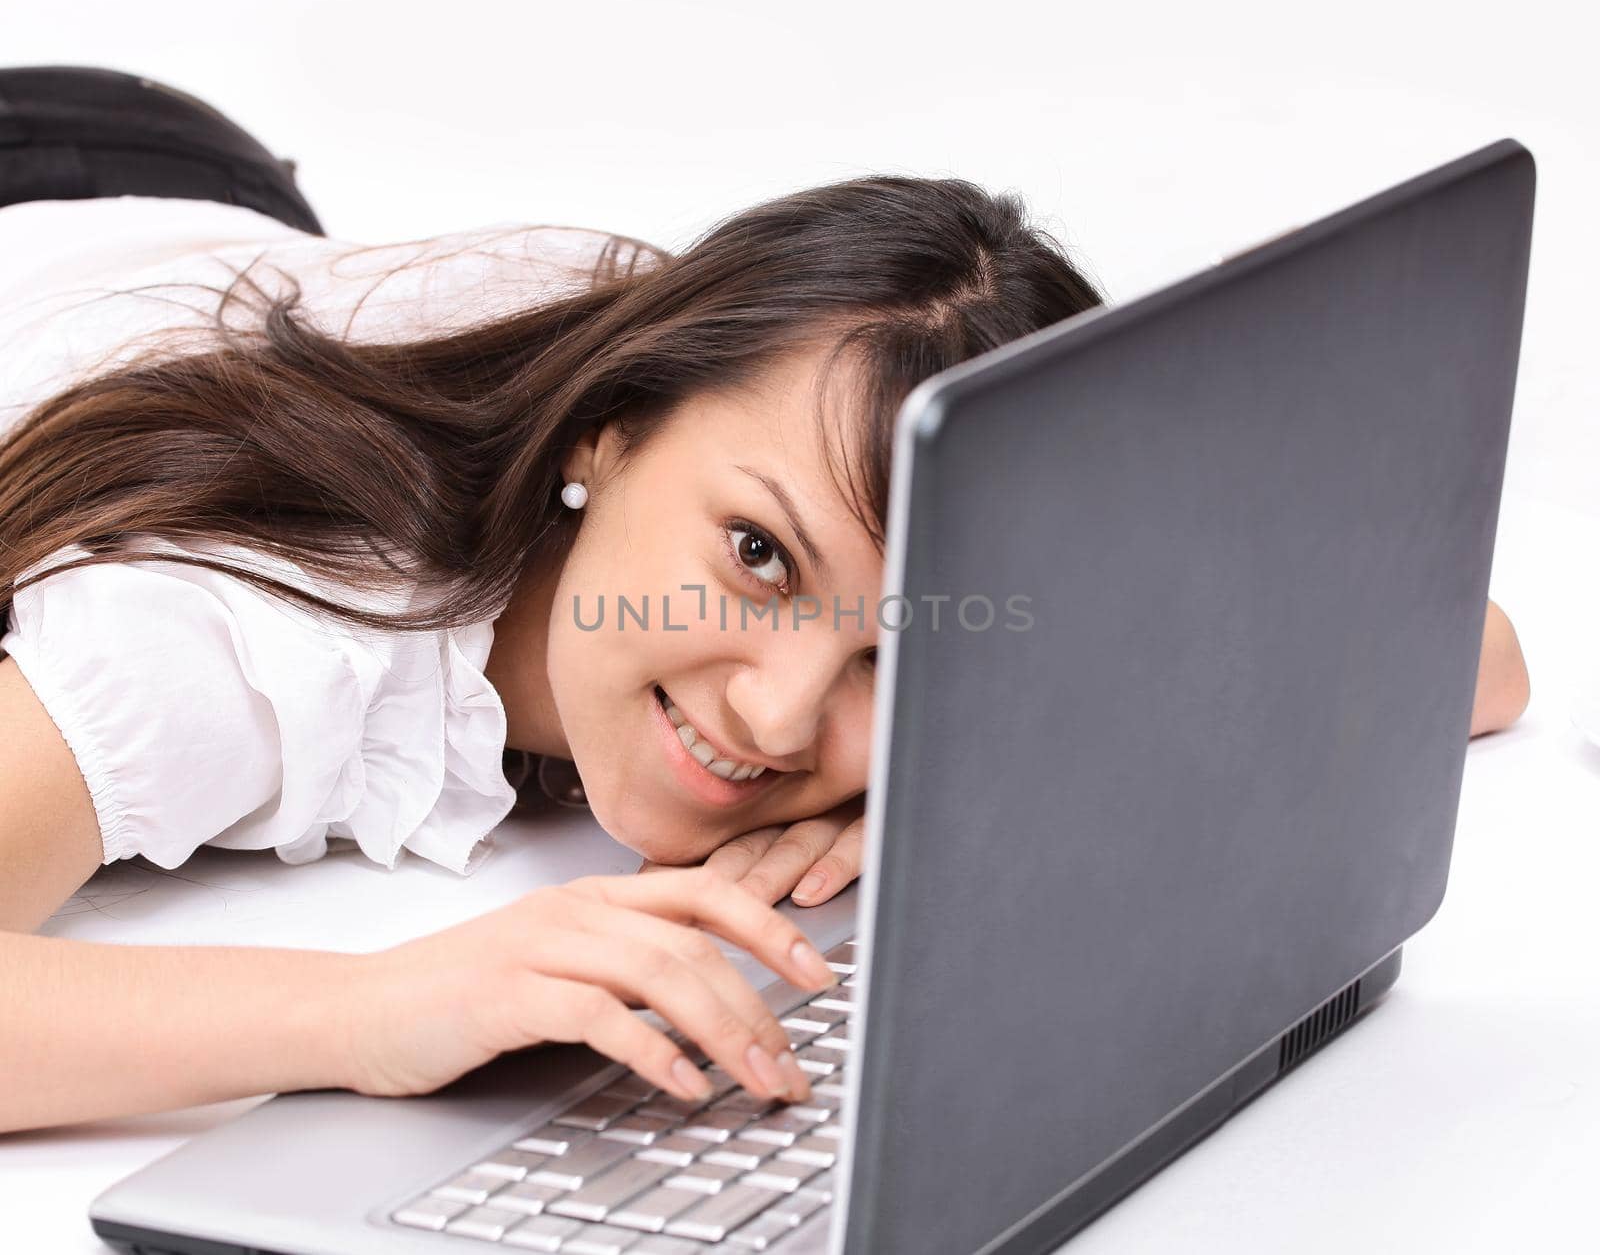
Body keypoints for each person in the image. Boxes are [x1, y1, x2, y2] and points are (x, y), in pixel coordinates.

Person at [0, 67, 1531, 1136]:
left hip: (208, 231)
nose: (783, 712)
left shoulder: (796, 416)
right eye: (758, 556)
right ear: (607, 426)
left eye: (893, 654)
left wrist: (963, 766)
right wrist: (371, 1013)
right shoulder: (245, 636)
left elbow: (1479, 658)